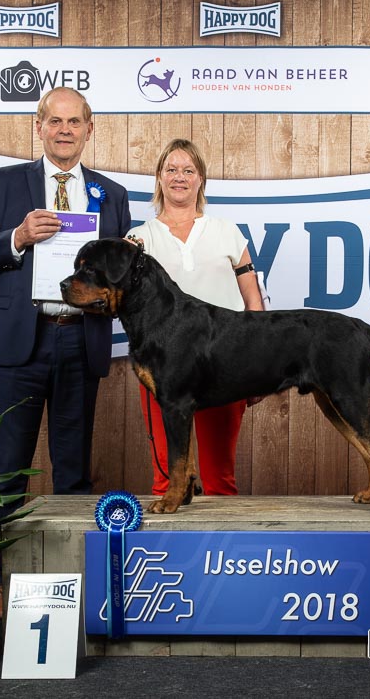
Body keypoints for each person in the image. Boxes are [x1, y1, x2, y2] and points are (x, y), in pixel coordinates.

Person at [0, 87, 131, 593]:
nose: (64, 130)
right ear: (39, 127)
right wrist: (17, 237)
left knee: (74, 471)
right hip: (20, 343)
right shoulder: (6, 182)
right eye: (55, 121)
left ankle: (73, 582)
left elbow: (121, 278)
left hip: (81, 340)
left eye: (74, 122)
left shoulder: (111, 194)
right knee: (5, 468)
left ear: (89, 129)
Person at [132, 138, 264, 497]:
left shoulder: (227, 231)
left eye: (188, 170)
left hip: (225, 361)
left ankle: (222, 537)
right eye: (171, 169)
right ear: (159, 177)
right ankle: (168, 533)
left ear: (200, 179)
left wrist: (255, 366)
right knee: (166, 478)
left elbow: (253, 299)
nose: (180, 177)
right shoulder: (138, 239)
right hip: (162, 365)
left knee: (220, 478)